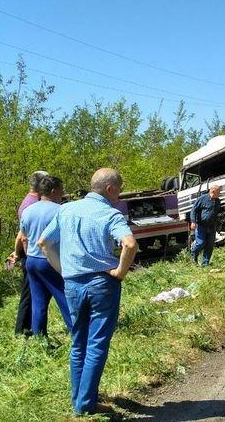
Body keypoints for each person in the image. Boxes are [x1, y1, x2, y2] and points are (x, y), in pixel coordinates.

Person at [38, 168, 137, 416]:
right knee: (97, 344)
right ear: (110, 189)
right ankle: (86, 403)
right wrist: (120, 273)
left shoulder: (67, 209)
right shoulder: (110, 213)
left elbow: (43, 243)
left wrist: (62, 269)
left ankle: (80, 400)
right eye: (120, 188)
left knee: (78, 343)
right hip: (102, 283)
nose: (121, 193)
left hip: (72, 284)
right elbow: (130, 244)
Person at [16, 175, 72, 335]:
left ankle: (39, 338)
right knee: (65, 296)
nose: (63, 193)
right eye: (61, 190)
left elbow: (23, 238)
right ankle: (78, 333)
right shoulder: (60, 210)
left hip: (32, 261)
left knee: (38, 301)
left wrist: (29, 255)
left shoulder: (27, 211)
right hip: (50, 261)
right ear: (54, 191)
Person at [8, 170, 49, 336]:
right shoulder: (31, 204)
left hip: (31, 253)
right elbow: (22, 236)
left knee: (33, 293)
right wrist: (24, 254)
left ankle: (30, 328)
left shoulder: (33, 200)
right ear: (40, 184)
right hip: (31, 254)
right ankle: (21, 330)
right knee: (29, 293)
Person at [188, 185, 221, 266]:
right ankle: (193, 256)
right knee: (200, 243)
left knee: (210, 245)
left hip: (211, 227)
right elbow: (193, 210)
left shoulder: (217, 201)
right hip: (201, 226)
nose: (219, 194)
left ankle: (205, 263)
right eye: (218, 192)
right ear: (213, 191)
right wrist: (193, 221)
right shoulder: (202, 199)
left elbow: (216, 213)